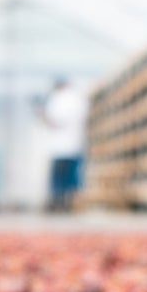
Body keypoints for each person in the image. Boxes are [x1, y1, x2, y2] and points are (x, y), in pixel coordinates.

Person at [40, 77, 87, 211]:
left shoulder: (59, 99)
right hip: (75, 145)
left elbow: (54, 119)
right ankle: (68, 203)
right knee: (71, 178)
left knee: (58, 178)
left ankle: (57, 203)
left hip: (60, 147)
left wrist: (42, 114)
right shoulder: (79, 99)